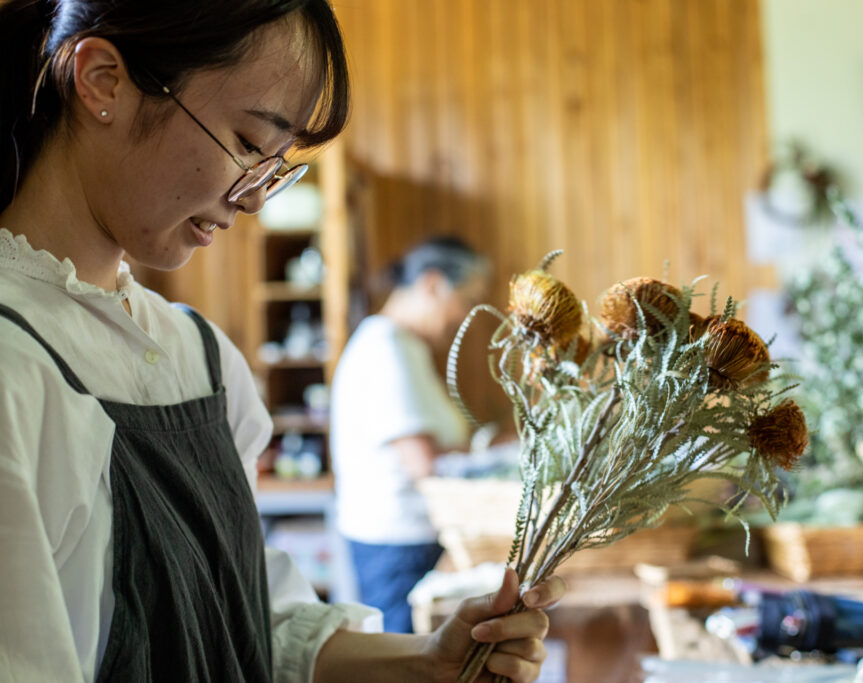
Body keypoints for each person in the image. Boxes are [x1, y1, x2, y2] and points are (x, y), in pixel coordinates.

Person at [0, 1, 563, 682]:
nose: (255, 198)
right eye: (245, 141)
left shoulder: (197, 358)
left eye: (274, 164)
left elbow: (252, 621)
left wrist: (427, 660)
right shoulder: (16, 365)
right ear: (102, 82)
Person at [331, 237, 490, 634]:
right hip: (397, 547)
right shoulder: (385, 348)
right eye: (466, 299)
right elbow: (426, 463)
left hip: (408, 543)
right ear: (432, 284)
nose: (464, 316)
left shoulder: (402, 346)